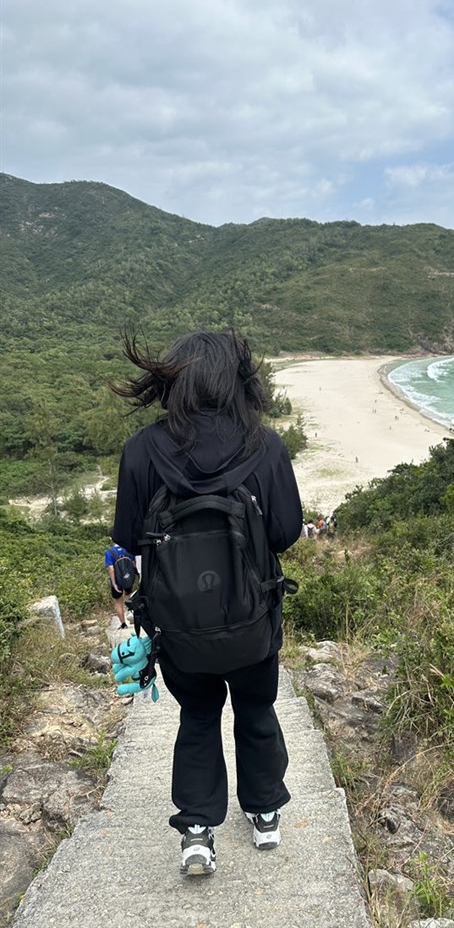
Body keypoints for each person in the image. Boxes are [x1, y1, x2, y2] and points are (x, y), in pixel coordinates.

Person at [110, 330, 302, 876]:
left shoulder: (142, 449)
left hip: (178, 626)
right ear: (237, 380)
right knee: (256, 707)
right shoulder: (265, 446)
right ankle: (265, 813)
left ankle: (197, 829)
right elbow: (285, 532)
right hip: (252, 618)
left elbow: (127, 538)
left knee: (197, 715)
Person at [104, 541, 137, 629]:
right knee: (129, 598)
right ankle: (133, 616)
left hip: (117, 581)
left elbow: (111, 569)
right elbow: (134, 564)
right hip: (128, 579)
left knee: (118, 603)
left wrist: (114, 583)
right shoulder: (128, 550)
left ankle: (123, 624)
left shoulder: (109, 552)